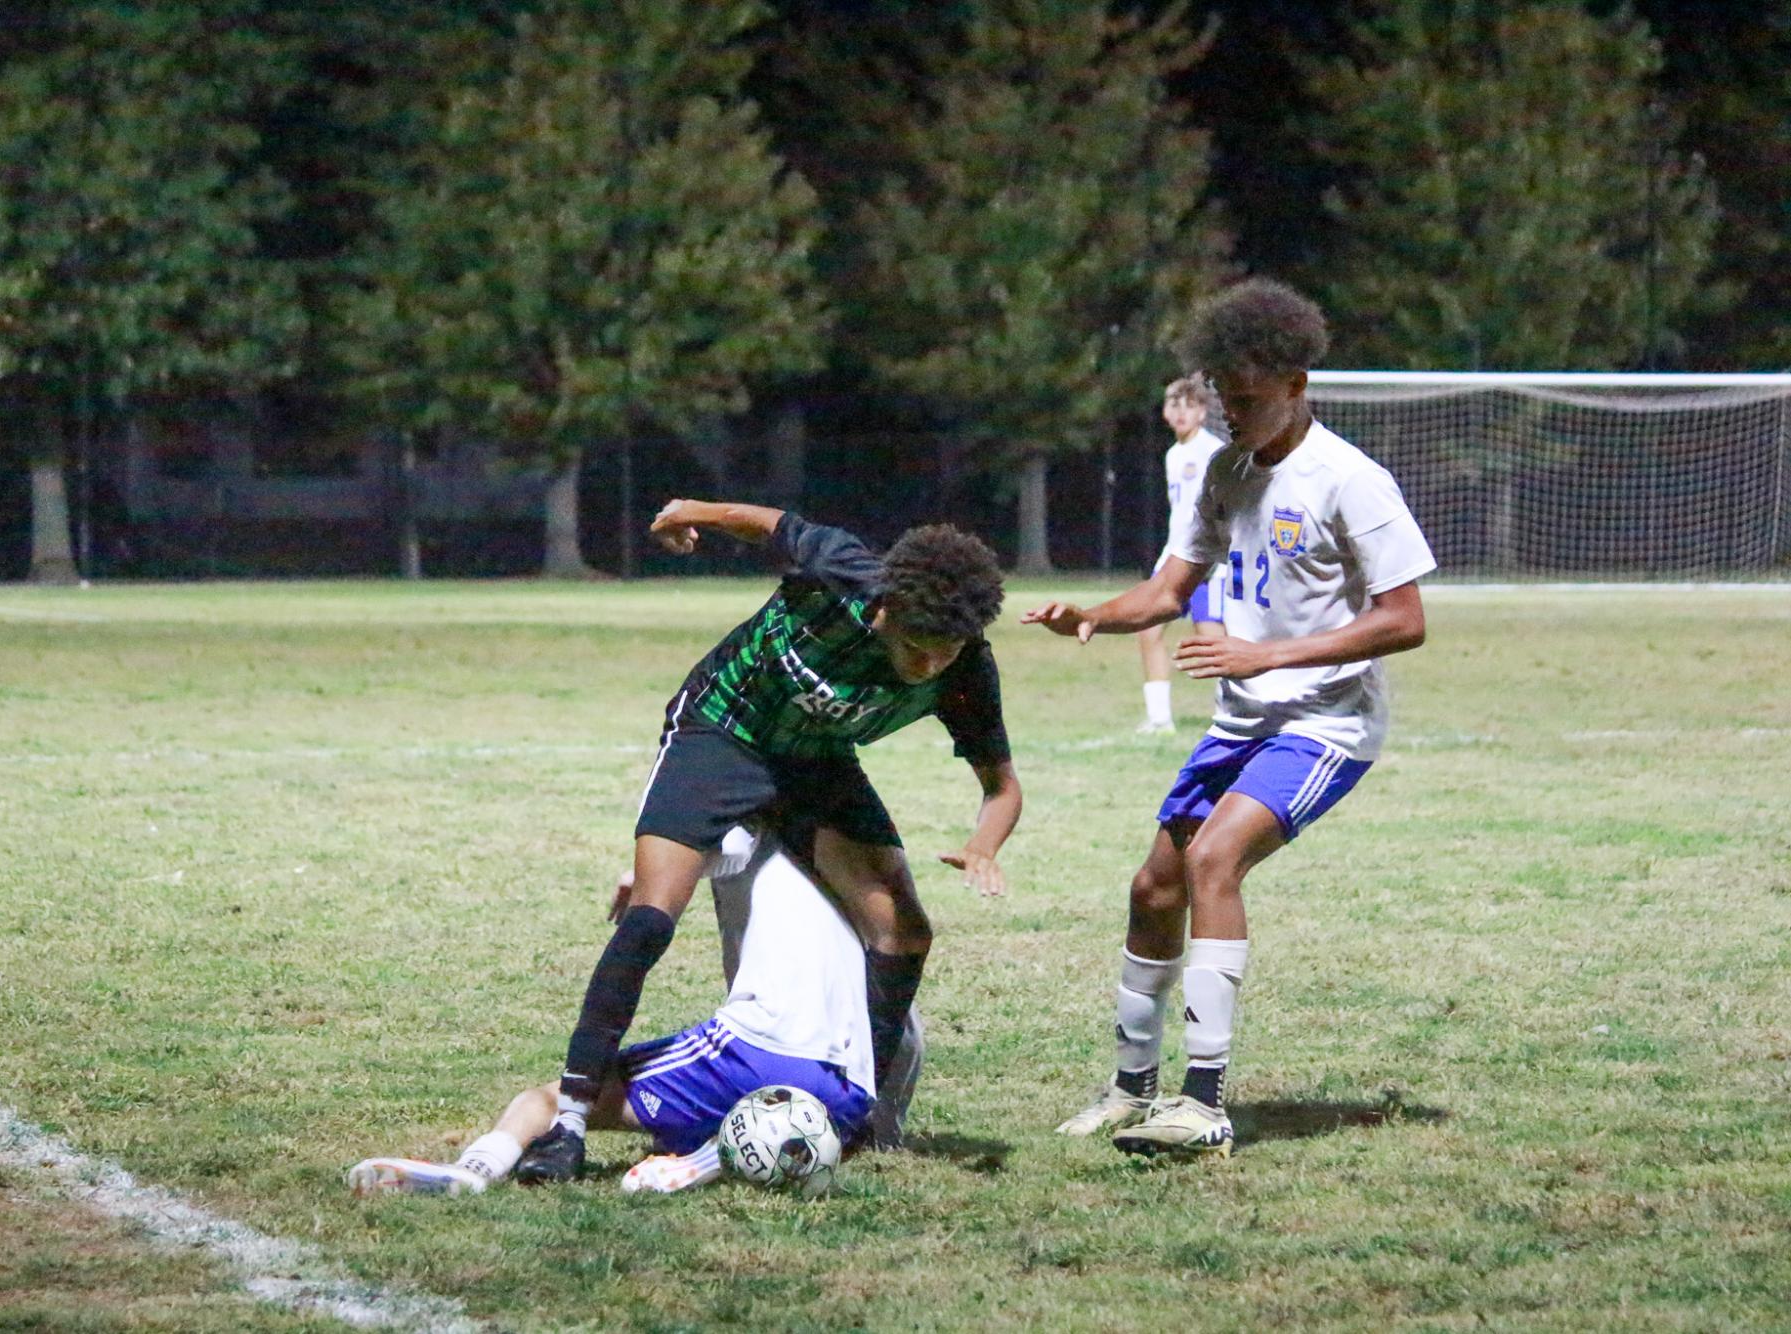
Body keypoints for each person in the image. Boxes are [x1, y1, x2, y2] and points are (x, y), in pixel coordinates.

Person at [1025, 278, 1435, 1156]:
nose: (1231, 414)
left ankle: (1203, 1103)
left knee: (1213, 860)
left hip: (1325, 722)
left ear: (1296, 384)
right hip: (1241, 720)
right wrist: (1095, 614)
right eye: (1222, 396)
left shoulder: (1348, 481)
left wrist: (1267, 655)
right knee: (1152, 888)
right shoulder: (1220, 468)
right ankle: (1130, 1088)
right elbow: (1168, 591)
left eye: (1246, 400)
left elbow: (1405, 619)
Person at [514, 501, 1021, 1182]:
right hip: (721, 728)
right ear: (887, 608)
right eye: (914, 647)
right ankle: (569, 1122)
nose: (928, 666)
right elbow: (768, 523)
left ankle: (856, 1115)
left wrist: (984, 844)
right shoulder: (843, 570)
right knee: (649, 919)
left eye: (945, 652)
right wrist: (681, 515)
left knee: (903, 932)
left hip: (814, 762)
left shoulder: (964, 670)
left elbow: (1001, 787)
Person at [348, 827, 877, 1196]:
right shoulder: (849, 861)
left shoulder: (748, 823)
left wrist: (645, 873)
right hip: (850, 1092)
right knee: (704, 1107)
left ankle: (475, 1170)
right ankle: (720, 1148)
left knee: (550, 1099)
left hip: (752, 1053)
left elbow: (708, 847)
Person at [1136, 374, 1230, 735]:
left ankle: (1232, 713)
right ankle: (1160, 719)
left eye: (1190, 405)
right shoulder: (1173, 454)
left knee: (1211, 642)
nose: (1181, 412)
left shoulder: (1212, 452)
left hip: (1207, 565)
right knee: (1148, 629)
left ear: (1203, 413)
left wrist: (1218, 558)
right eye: (1174, 404)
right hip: (1175, 559)